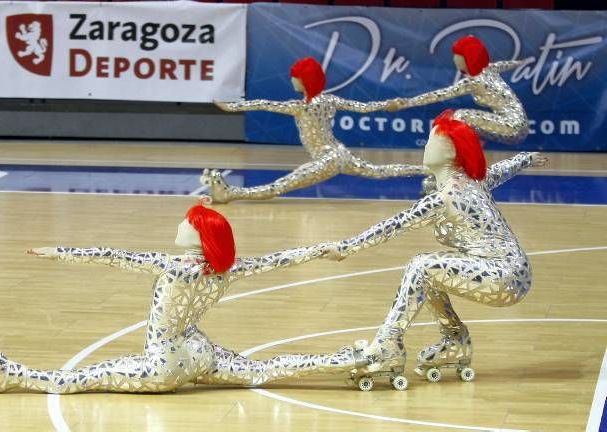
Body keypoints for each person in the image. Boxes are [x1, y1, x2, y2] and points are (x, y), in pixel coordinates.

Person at [0, 202, 377, 395]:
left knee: (81, 378)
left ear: (199, 236)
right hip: (199, 351)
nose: (181, 224)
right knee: (259, 370)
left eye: (188, 222)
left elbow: (113, 256)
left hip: (164, 364)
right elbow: (280, 260)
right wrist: (320, 249)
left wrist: (59, 252)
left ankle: (7, 374)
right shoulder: (226, 269)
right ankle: (348, 358)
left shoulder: (175, 266)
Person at [323, 109, 545, 386]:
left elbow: (395, 225)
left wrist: (346, 248)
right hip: (514, 272)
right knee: (430, 274)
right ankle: (455, 341)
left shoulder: (447, 195)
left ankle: (388, 343)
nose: (426, 146)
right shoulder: (472, 182)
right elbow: (502, 169)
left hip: (504, 276)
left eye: (432, 141)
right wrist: (526, 158)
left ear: (451, 151)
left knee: (422, 265)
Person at [202, 57, 427, 204]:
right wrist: (386, 105)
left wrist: (233, 107)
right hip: (340, 154)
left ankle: (230, 194)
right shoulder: (328, 101)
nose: (292, 80)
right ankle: (427, 170)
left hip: (328, 159)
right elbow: (363, 107)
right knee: (378, 171)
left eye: (296, 77)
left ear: (305, 81)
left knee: (280, 185)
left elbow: (262, 103)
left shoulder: (300, 107)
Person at [384, 35, 528, 145]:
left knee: (460, 116)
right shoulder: (490, 69)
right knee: (460, 119)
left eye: (458, 57)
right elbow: (508, 64)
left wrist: (405, 103)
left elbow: (438, 95)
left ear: (469, 58)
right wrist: (524, 61)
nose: (454, 60)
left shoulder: (474, 81)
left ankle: (464, 155)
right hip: (520, 125)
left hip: (513, 128)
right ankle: (470, 152)